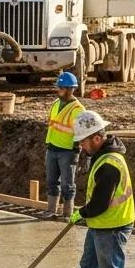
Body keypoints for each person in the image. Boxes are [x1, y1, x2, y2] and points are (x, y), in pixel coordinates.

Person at [51, 110, 135, 268]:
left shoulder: (109, 164)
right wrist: (87, 215)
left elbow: (100, 204)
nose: (81, 146)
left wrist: (83, 213)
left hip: (112, 226)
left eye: (83, 142)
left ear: (96, 138)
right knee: (88, 264)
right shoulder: (102, 156)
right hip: (101, 223)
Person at [43, 71, 84, 220]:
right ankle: (51, 210)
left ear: (70, 89)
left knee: (68, 184)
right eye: (58, 88)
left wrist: (76, 150)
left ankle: (67, 213)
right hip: (52, 147)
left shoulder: (77, 109)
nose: (58, 90)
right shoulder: (55, 104)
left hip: (68, 151)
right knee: (52, 182)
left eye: (61, 88)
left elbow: (80, 132)